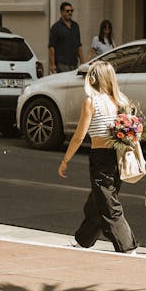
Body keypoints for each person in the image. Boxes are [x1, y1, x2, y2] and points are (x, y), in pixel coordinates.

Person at [57, 60, 137, 254]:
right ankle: (84, 240)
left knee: (108, 204)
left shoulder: (91, 101)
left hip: (100, 157)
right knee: (97, 201)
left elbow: (78, 136)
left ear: (93, 78)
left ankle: (127, 246)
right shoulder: (120, 100)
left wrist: (65, 160)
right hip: (118, 156)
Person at [48, 1, 84, 73]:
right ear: (61, 12)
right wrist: (52, 64)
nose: (70, 13)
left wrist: (82, 62)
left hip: (74, 63)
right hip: (62, 64)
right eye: (67, 11)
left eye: (71, 11)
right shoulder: (56, 27)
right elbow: (51, 48)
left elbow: (79, 45)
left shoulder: (75, 26)